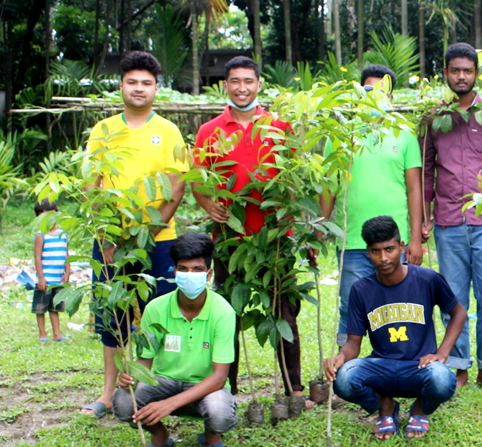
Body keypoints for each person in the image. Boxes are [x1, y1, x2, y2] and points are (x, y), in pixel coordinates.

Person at [192, 56, 311, 406]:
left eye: (248, 81)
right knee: (228, 313)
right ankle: (225, 389)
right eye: (234, 81)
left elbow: (294, 179)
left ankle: (295, 388)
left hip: (275, 239)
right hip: (230, 240)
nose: (241, 88)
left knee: (283, 311)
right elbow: (199, 179)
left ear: (259, 85)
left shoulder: (280, 126)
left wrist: (291, 223)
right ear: (225, 86)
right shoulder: (210, 130)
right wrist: (208, 205)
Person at [82, 51, 188, 418]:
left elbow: (176, 188)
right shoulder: (103, 131)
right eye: (132, 82)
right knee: (113, 317)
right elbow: (91, 188)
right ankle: (108, 394)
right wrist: (107, 237)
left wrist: (150, 231)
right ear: (121, 86)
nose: (139, 89)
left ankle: (155, 386)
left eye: (146, 83)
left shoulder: (169, 131)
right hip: (111, 242)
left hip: (159, 241)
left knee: (160, 313)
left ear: (156, 88)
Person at [324, 216, 464, 440]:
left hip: (420, 367)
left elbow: (459, 313)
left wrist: (441, 353)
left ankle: (420, 409)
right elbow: (353, 343)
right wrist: (340, 358)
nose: (383, 258)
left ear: (401, 247)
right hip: (381, 367)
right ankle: (385, 406)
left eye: (389, 249)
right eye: (375, 251)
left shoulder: (427, 279)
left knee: (443, 380)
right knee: (343, 380)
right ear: (367, 252)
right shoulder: (361, 289)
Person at [420, 43, 482, 388]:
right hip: (447, 221)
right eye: (455, 70)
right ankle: (459, 367)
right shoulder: (433, 116)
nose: (461, 76)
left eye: (467, 71)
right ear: (445, 73)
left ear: (476, 74)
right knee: (453, 297)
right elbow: (427, 169)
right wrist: (425, 218)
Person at [321, 64, 425, 349]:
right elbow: (329, 188)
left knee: (400, 308)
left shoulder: (404, 134)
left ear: (391, 97)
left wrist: (414, 239)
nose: (375, 98)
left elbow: (415, 188)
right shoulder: (341, 136)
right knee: (349, 308)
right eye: (368, 91)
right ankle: (345, 372)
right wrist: (318, 231)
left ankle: (402, 367)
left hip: (395, 241)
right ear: (358, 94)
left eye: (382, 92)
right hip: (352, 241)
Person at [113, 233, 237, 447]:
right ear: (174, 271)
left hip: (206, 385)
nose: (190, 276)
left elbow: (219, 377)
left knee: (220, 414)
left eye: (198, 269)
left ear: (209, 275)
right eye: (183, 269)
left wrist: (170, 404)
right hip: (164, 382)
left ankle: (211, 434)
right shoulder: (156, 309)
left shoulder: (223, 312)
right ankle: (160, 434)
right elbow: (145, 362)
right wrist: (130, 376)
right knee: (122, 401)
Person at [32, 199, 70, 344]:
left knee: (55, 308)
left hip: (58, 279)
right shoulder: (41, 235)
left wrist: (67, 272)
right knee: (40, 308)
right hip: (46, 279)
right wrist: (41, 278)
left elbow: (67, 254)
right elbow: (37, 257)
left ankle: (57, 334)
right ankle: (42, 334)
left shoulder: (62, 234)